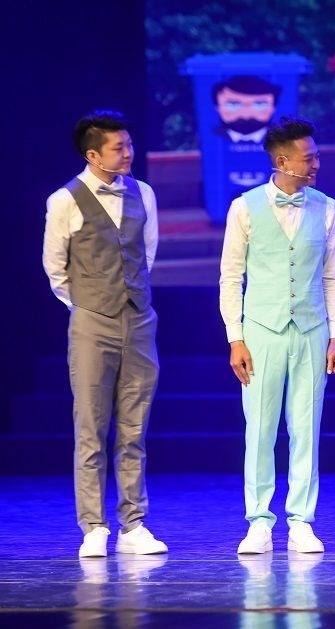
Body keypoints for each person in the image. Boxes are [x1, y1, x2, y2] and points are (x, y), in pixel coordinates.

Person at [43, 110, 167, 558]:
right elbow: (55, 268)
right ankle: (93, 526)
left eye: (129, 145)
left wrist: (129, 296)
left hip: (139, 319)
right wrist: (89, 305)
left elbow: (146, 254)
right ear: (93, 155)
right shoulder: (65, 200)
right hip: (92, 321)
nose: (128, 153)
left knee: (134, 427)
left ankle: (133, 524)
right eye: (119, 148)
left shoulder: (143, 193)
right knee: (91, 427)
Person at [220, 115, 335, 555]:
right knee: (259, 428)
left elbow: (332, 278)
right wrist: (235, 338)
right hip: (260, 331)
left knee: (306, 428)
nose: (316, 163)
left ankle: (301, 521)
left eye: (315, 155)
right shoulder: (244, 207)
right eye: (308, 158)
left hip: (311, 329)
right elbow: (230, 277)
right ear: (282, 161)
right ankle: (258, 521)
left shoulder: (326, 208)